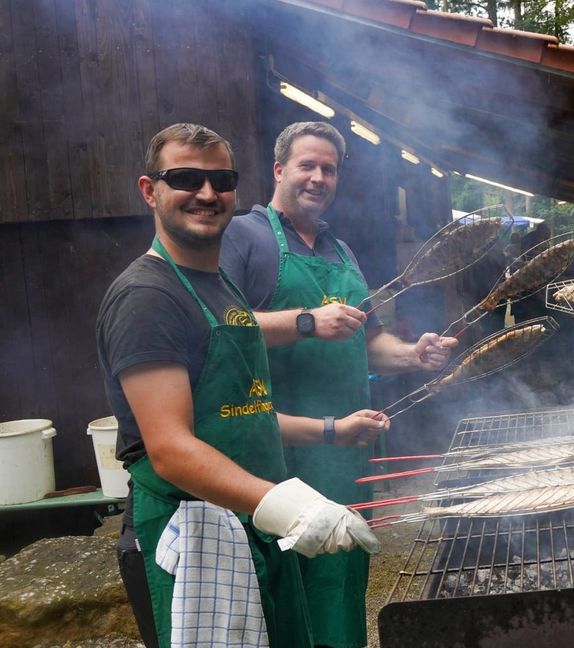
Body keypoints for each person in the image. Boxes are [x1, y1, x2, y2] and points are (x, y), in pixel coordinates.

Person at [97, 123, 387, 648]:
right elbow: (172, 449)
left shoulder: (223, 290)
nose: (207, 194)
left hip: (253, 525)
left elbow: (242, 416)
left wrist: (328, 432)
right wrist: (295, 508)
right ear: (150, 190)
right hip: (192, 535)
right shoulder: (147, 297)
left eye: (220, 179)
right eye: (186, 178)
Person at [219, 121, 456, 648]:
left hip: (347, 455)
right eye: (307, 165)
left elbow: (370, 342)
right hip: (281, 457)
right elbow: (218, 325)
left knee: (342, 583)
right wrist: (306, 320)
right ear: (279, 170)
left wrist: (414, 355)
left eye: (329, 169)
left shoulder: (340, 250)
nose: (318, 177)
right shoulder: (244, 237)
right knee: (286, 594)